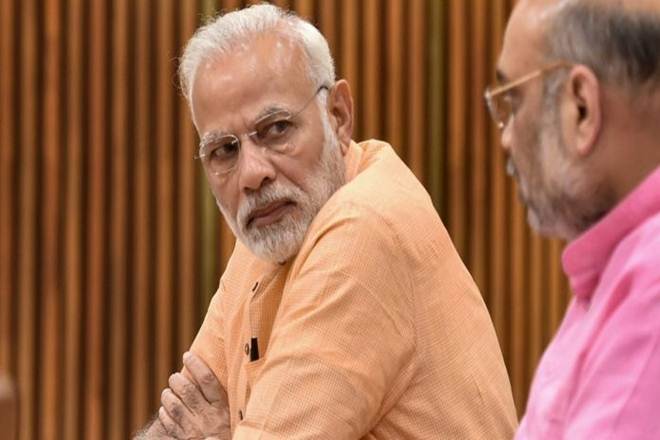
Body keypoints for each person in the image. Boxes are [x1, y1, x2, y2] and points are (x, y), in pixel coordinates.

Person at [138, 4, 517, 439]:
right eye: (224, 150)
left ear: (338, 115)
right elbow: (176, 420)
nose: (252, 174)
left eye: (276, 129)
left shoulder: (363, 227)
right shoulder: (271, 227)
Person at [486, 0, 660, 438]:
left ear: (581, 107)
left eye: (513, 101)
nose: (506, 139)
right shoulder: (615, 265)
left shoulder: (652, 286)